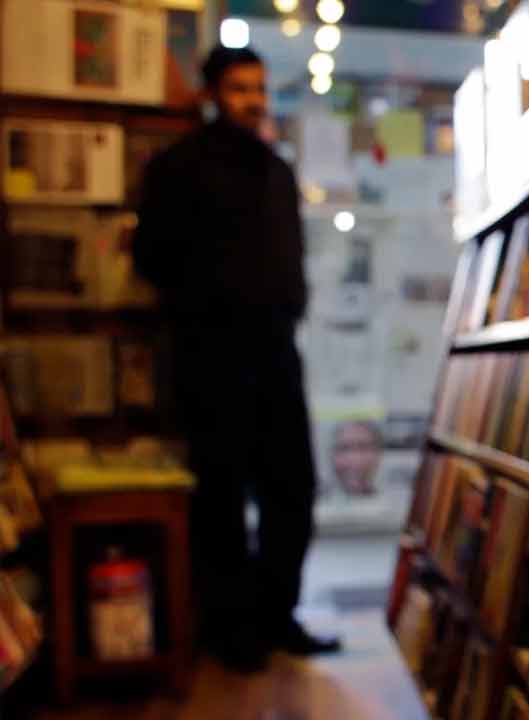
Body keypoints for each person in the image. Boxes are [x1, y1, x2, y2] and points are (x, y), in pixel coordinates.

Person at [133, 46, 339, 672]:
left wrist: (291, 304)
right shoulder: (177, 167)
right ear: (212, 95)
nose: (253, 100)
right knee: (221, 497)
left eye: (259, 88)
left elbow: (289, 256)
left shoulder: (276, 170)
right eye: (239, 89)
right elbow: (152, 258)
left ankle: (278, 616)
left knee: (292, 489)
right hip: (210, 355)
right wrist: (206, 304)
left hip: (276, 351)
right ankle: (233, 631)